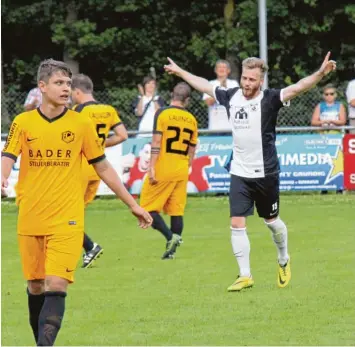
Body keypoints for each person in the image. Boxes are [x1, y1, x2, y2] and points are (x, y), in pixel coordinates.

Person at [1, 59, 152, 346]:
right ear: (42, 87)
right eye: (59, 83)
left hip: (67, 217)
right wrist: (2, 178)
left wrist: (133, 204)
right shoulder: (23, 122)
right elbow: (8, 155)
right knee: (35, 286)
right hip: (31, 214)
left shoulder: (81, 124)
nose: (66, 88)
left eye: (68, 84)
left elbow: (103, 166)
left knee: (56, 284)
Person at [164, 52, 336, 291]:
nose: (247, 83)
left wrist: (319, 74)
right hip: (239, 172)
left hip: (266, 173)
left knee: (272, 222)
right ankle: (245, 275)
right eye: (244, 78)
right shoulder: (231, 95)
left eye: (252, 80)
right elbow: (204, 84)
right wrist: (181, 71)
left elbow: (298, 87)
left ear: (260, 81)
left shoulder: (271, 98)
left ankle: (284, 258)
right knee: (236, 222)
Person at [71, 73, 129, 268]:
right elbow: (122, 135)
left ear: (77, 91)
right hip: (97, 169)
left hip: (80, 168)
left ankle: (89, 247)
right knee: (74, 215)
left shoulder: (77, 110)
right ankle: (85, 248)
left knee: (66, 215)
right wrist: (100, 146)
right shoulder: (108, 110)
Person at [140, 82, 198, 259]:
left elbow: (156, 142)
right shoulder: (192, 119)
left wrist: (151, 166)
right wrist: (188, 166)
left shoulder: (163, 113)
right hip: (181, 168)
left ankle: (170, 237)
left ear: (172, 94)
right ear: (187, 100)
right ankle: (171, 252)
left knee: (146, 207)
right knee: (176, 210)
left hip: (164, 166)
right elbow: (192, 148)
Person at [311, 83, 346, 195]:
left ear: (335, 95)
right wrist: (323, 122)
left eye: (331, 94)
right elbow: (314, 121)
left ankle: (339, 187)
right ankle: (324, 187)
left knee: (338, 161)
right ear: (323, 95)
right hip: (323, 137)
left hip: (336, 137)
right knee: (324, 161)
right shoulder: (320, 106)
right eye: (326, 94)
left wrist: (332, 122)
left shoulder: (339, 106)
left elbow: (342, 121)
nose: (329, 96)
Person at [203, 60, 239, 132]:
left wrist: (217, 94)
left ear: (228, 70)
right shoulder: (210, 84)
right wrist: (221, 88)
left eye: (224, 67)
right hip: (215, 128)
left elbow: (236, 100)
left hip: (231, 127)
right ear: (215, 70)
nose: (221, 69)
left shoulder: (234, 84)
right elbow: (209, 102)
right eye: (219, 67)